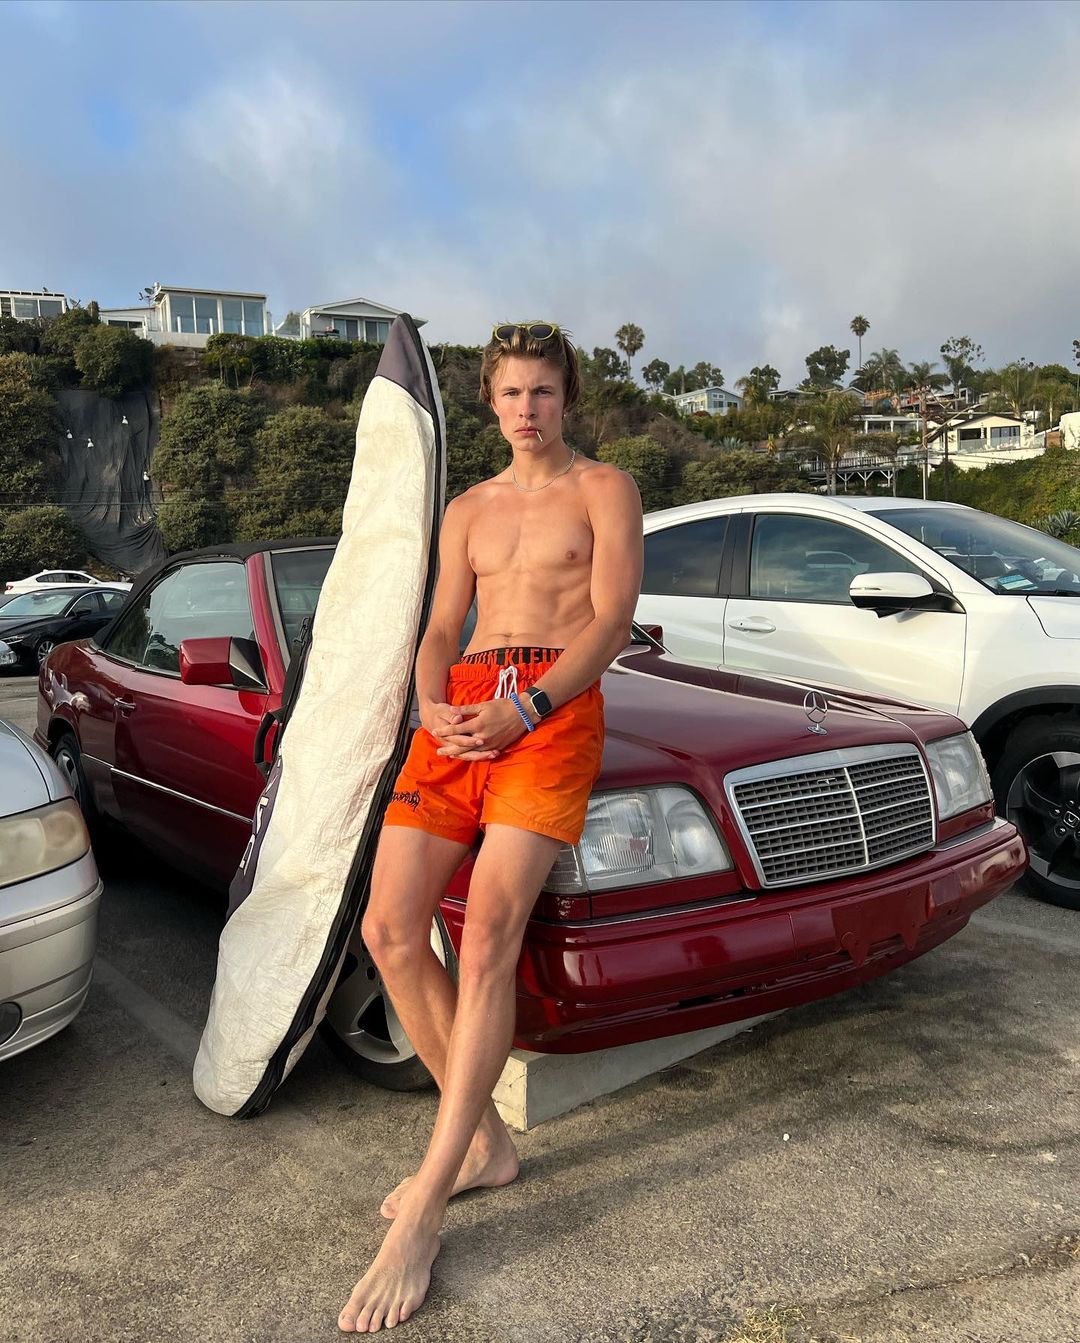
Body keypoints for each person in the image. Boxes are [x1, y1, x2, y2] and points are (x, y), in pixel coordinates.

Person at [338, 320, 644, 1333]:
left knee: (485, 943)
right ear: (491, 401)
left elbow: (609, 620)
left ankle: (428, 1203)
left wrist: (532, 704)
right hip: (465, 705)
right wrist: (431, 704)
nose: (527, 409)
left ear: (567, 396)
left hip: (551, 710)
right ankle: (482, 1143)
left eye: (543, 391)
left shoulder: (605, 489)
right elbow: (438, 628)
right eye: (511, 392)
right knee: (389, 929)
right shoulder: (467, 509)